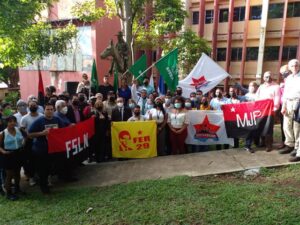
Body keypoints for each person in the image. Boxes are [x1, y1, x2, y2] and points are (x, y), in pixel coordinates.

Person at [28, 103, 63, 194]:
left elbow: (63, 131)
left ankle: (48, 182)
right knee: (42, 169)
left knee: (49, 168)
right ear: (44, 110)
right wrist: (42, 133)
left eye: (51, 109)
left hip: (53, 149)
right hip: (41, 150)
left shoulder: (57, 119)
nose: (50, 111)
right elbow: (30, 134)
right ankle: (44, 188)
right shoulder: (39, 121)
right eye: (47, 109)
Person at [278, 59, 300, 160]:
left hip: (298, 103)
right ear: (289, 67)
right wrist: (283, 106)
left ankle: (297, 147)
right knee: (286, 126)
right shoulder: (289, 78)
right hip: (288, 103)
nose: (294, 67)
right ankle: (289, 144)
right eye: (292, 66)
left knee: (297, 127)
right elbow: (285, 93)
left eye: (296, 65)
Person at [0, 116, 25, 200]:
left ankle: (17, 189)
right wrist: (4, 152)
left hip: (19, 153)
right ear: (6, 123)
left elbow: (27, 136)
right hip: (8, 155)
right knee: (9, 175)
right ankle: (9, 193)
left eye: (14, 121)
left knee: (17, 173)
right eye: (10, 121)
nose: (12, 123)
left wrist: (23, 143)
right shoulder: (3, 133)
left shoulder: (19, 130)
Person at [20, 100, 43, 186]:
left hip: (40, 140)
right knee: (30, 161)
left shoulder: (42, 116)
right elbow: (22, 129)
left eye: (34, 105)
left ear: (37, 106)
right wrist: (27, 136)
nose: (33, 106)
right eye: (31, 105)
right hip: (29, 142)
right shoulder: (24, 118)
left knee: (40, 160)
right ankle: (31, 178)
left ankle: (41, 176)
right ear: (28, 107)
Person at [256, 71, 280, 151]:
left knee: (269, 127)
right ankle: (262, 142)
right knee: (261, 126)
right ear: (263, 78)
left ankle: (269, 144)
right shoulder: (261, 87)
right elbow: (257, 97)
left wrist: (275, 109)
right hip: (261, 110)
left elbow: (277, 98)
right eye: (266, 77)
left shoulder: (276, 86)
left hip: (270, 110)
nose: (268, 78)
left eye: (269, 76)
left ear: (272, 77)